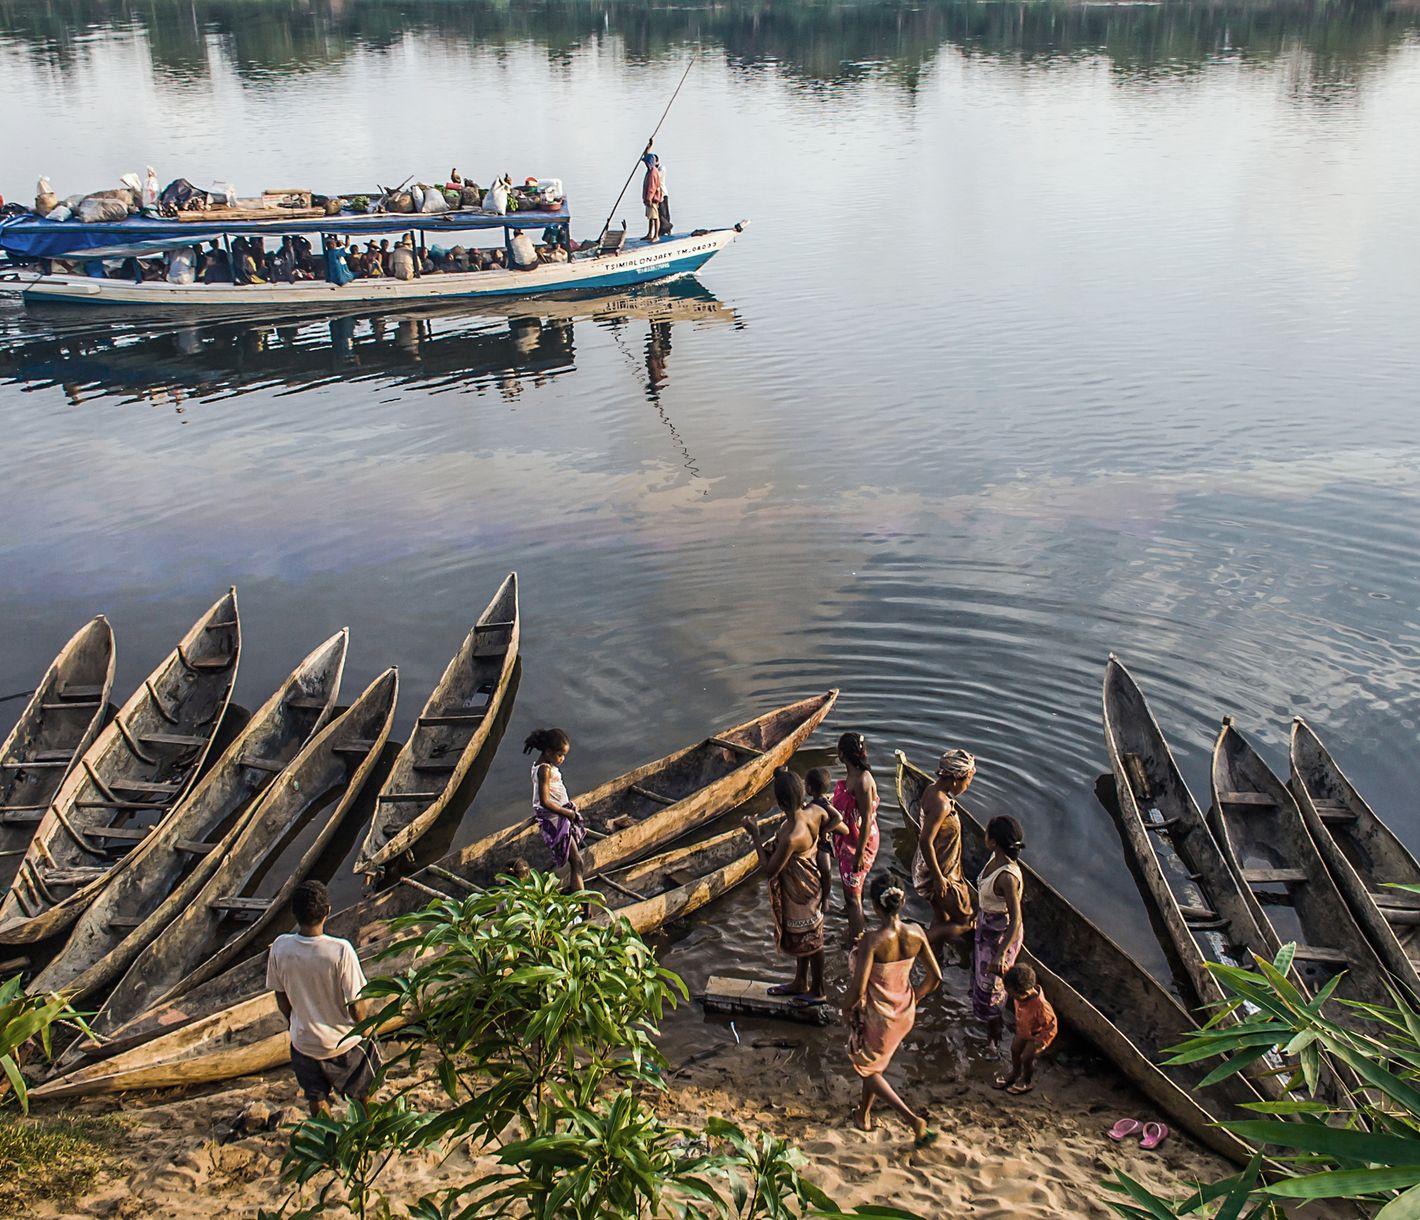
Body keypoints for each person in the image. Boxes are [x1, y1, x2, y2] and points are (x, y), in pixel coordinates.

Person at [266, 880, 379, 1116]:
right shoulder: (340, 951)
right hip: (343, 1043)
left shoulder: (280, 946)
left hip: (304, 1043)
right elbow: (356, 1007)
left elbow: (282, 997)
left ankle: (326, 1144)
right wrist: (367, 1032)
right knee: (364, 1091)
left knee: (316, 1098)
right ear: (328, 911)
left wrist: (295, 1023)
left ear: (294, 914)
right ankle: (371, 1130)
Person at [845, 874, 942, 1143]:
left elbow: (858, 989)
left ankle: (913, 1119)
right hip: (904, 1011)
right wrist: (915, 999)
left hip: (881, 1016)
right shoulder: (917, 933)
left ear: (875, 907)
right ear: (902, 902)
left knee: (866, 1068)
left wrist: (845, 1009)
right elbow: (935, 977)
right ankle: (863, 1115)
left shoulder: (872, 941)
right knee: (873, 1062)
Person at [742, 768, 829, 1003]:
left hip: (801, 891)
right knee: (808, 938)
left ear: (780, 803)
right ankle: (802, 982)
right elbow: (832, 824)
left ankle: (818, 991)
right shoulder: (816, 811)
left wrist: (756, 836)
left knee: (812, 940)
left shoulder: (792, 836)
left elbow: (769, 870)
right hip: (812, 883)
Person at [914, 748, 976, 955]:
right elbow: (925, 841)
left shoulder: (932, 789)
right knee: (965, 920)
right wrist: (939, 878)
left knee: (942, 917)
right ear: (956, 779)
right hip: (938, 870)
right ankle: (917, 943)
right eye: (967, 781)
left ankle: (935, 955)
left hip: (938, 865)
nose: (967, 786)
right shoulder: (941, 804)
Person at [973, 814, 1025, 1045]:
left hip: (999, 936)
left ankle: (994, 1041)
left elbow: (1015, 920)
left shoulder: (1006, 877)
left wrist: (1001, 953)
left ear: (993, 841)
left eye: (987, 834)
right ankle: (989, 1032)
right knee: (984, 981)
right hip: (986, 929)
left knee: (993, 987)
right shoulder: (995, 859)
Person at [832, 731, 880, 943]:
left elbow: (868, 817)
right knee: (852, 892)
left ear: (842, 755)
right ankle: (852, 914)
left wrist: (859, 854)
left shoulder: (862, 779)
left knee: (853, 897)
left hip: (860, 843)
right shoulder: (855, 775)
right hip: (852, 839)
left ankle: (856, 942)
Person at [526, 728, 585, 892]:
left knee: (576, 861)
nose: (562, 759)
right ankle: (582, 906)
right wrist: (568, 813)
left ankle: (577, 897)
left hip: (559, 814)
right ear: (548, 751)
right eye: (560, 755)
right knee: (578, 863)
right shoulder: (544, 769)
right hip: (556, 817)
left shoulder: (545, 765)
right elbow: (544, 801)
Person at [995, 963, 1056, 1095]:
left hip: (1036, 1035)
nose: (1012, 997)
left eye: (1014, 995)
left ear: (1025, 992)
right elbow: (1007, 975)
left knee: (1026, 1057)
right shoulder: (1019, 990)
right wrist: (998, 970)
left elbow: (1051, 1026)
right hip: (1023, 1030)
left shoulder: (1041, 1007)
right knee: (1014, 1049)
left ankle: (1026, 1080)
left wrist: (1041, 1041)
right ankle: (1015, 1072)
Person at [805, 766, 847, 913]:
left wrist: (825, 830)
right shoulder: (815, 802)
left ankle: (826, 899)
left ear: (809, 788)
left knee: (826, 870)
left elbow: (838, 818)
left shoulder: (822, 803)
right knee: (820, 872)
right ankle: (820, 896)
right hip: (815, 843)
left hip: (822, 844)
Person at [641, 142, 664, 242]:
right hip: (649, 199)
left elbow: (652, 187)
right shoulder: (650, 170)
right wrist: (648, 147)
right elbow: (645, 155)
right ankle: (650, 234)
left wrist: (649, 198)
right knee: (650, 217)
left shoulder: (653, 172)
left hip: (653, 199)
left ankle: (656, 235)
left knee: (655, 217)